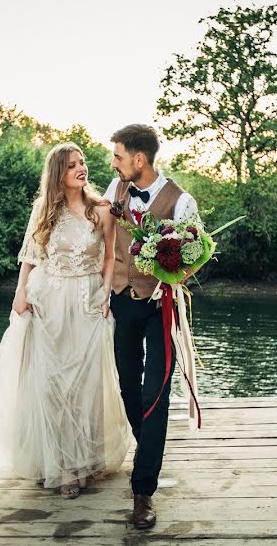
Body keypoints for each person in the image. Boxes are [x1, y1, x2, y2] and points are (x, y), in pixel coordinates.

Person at [0, 142, 132, 499]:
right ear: (58, 174)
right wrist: (20, 293)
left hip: (87, 300)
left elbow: (110, 257)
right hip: (49, 299)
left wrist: (105, 293)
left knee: (86, 385)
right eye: (72, 165)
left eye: (83, 163)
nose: (82, 169)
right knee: (52, 384)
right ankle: (63, 468)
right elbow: (31, 255)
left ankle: (86, 460)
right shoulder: (44, 210)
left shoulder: (102, 210)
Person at [103, 124, 200, 529]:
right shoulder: (116, 189)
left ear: (138, 159)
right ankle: (150, 449)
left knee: (154, 393)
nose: (114, 163)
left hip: (161, 306)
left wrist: (172, 272)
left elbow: (196, 254)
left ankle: (143, 491)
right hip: (123, 302)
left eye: (119, 156)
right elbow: (96, 225)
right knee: (128, 388)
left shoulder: (182, 202)